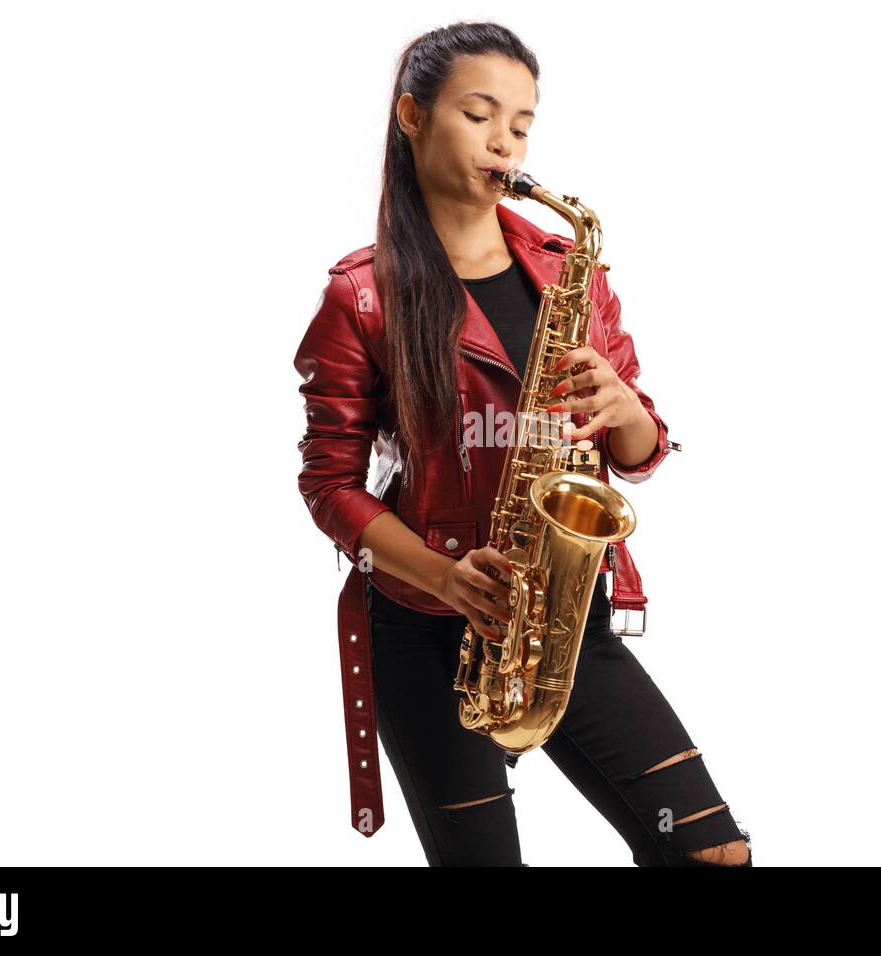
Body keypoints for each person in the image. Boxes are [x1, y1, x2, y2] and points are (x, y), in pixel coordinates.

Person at [294, 21, 751, 866]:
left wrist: (623, 409)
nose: (505, 140)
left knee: (711, 852)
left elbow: (639, 453)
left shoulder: (566, 266)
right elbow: (329, 484)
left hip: (565, 622)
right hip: (429, 629)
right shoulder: (361, 296)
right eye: (480, 114)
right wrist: (442, 575)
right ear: (413, 117)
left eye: (522, 122)